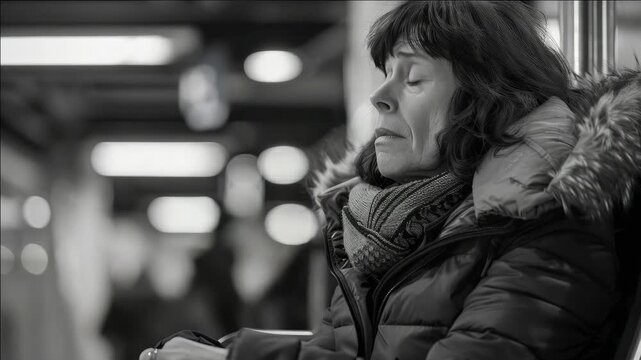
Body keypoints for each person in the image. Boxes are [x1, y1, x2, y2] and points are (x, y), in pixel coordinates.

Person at [141, 1, 641, 359]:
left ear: (486, 100)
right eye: (384, 73)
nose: (380, 96)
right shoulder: (382, 230)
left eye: (414, 78)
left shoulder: (547, 228)